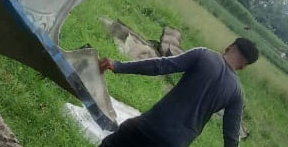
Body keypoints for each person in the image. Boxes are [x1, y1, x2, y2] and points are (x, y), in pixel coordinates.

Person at [98, 38, 259, 147]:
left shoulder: (203, 55)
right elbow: (231, 137)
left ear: (229, 47)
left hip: (147, 128)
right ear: (244, 66)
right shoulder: (237, 93)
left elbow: (160, 66)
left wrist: (118, 66)